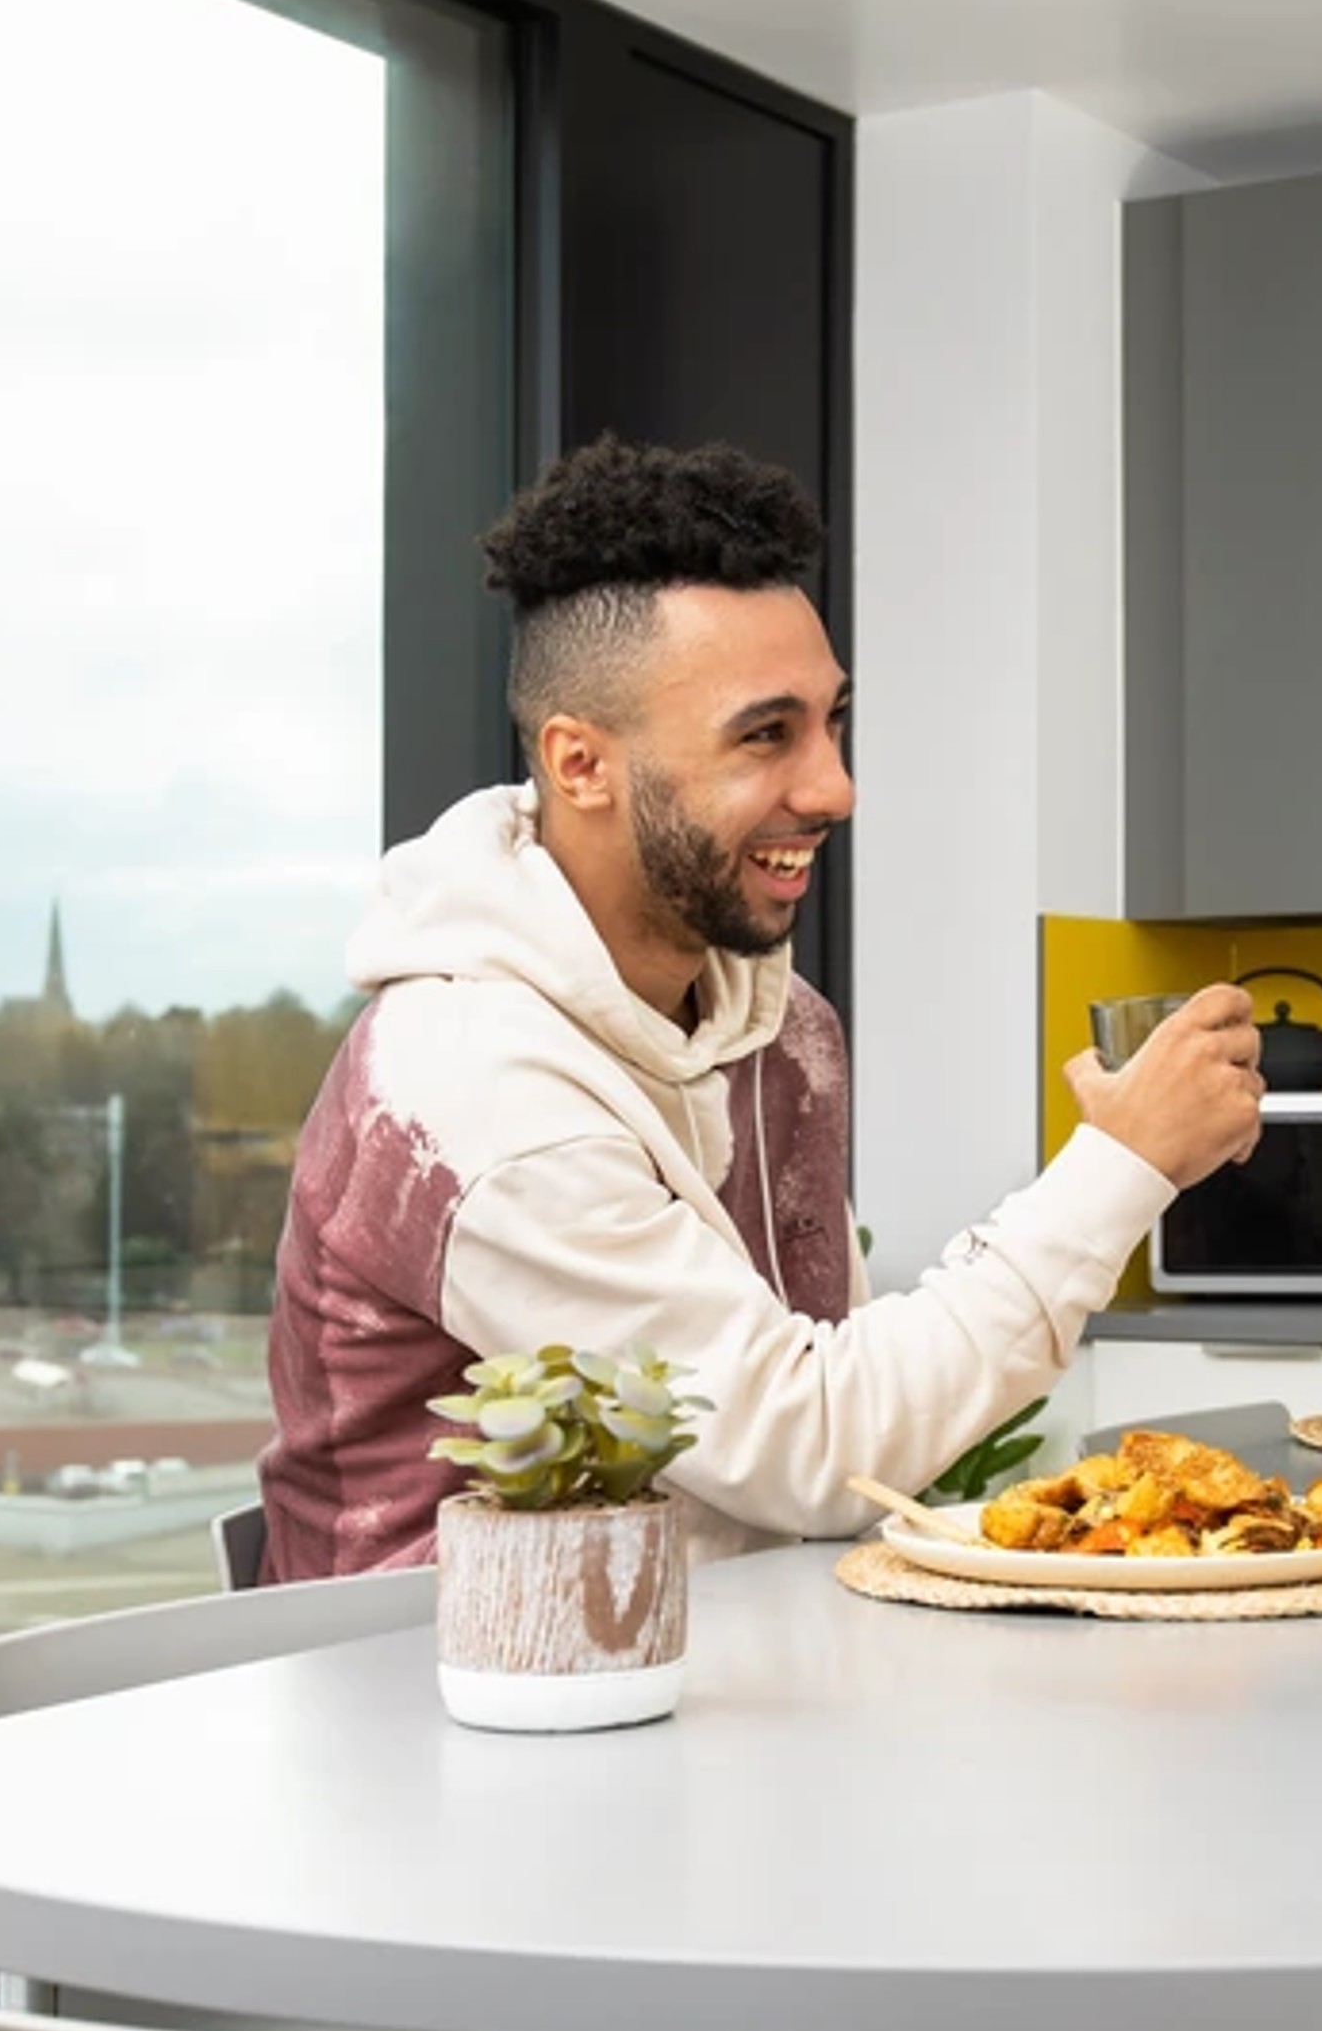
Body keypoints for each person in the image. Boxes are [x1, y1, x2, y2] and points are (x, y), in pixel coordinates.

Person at [256, 437, 1264, 1580]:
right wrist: (1119, 1165)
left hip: (729, 1671)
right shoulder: (469, 1092)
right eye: (765, 734)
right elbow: (812, 1449)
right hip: (440, 1708)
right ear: (581, 763)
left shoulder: (785, 1031)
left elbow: (815, 1431)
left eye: (833, 722)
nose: (833, 787)